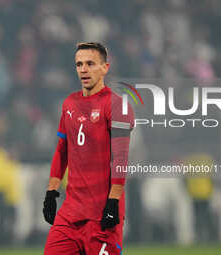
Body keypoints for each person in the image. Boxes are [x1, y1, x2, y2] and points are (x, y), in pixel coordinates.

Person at [43, 42, 134, 254]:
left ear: (105, 68)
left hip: (102, 214)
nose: (83, 69)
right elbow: (61, 151)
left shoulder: (117, 105)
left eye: (90, 63)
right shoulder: (69, 104)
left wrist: (113, 201)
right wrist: (51, 192)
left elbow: (120, 159)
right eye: (79, 64)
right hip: (71, 213)